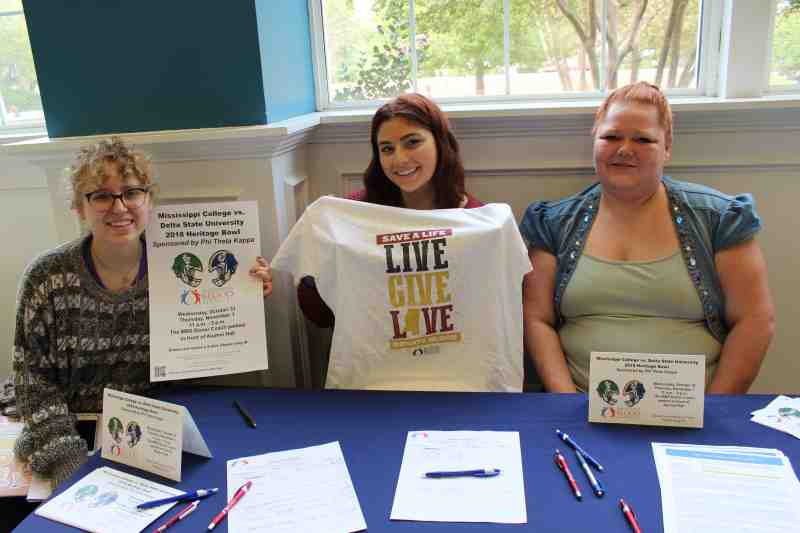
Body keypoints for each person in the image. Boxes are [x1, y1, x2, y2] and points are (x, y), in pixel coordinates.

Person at [12, 138, 273, 491]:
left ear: (148, 200)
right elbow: (33, 382)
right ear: (79, 207)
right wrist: (67, 461)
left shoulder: (183, 265)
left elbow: (205, 364)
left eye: (131, 192)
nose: (119, 207)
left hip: (165, 433)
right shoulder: (47, 277)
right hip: (76, 431)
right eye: (101, 195)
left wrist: (243, 290)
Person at [520, 82, 775, 394]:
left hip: (694, 413)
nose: (625, 149)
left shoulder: (719, 219)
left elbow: (754, 320)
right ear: (595, 141)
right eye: (611, 136)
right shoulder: (553, 224)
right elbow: (536, 319)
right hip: (580, 406)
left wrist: (714, 409)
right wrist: (565, 402)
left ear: (667, 148)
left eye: (643, 139)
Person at [298, 93, 482, 329]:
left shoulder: (477, 219)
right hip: (377, 361)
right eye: (387, 148)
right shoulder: (353, 214)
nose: (400, 159)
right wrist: (315, 269)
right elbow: (321, 316)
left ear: (440, 142)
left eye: (412, 142)